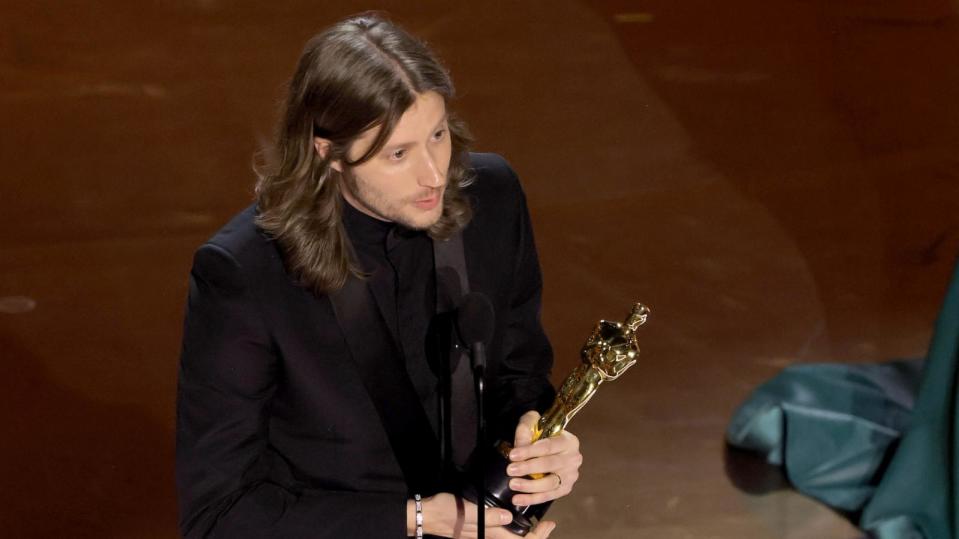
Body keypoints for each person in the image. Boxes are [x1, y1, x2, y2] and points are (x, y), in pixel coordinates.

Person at [175, 13, 582, 539]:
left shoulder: (494, 196)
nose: (434, 174)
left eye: (437, 135)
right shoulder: (244, 273)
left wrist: (541, 444)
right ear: (329, 153)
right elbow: (218, 515)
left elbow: (519, 377)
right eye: (398, 154)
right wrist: (416, 520)